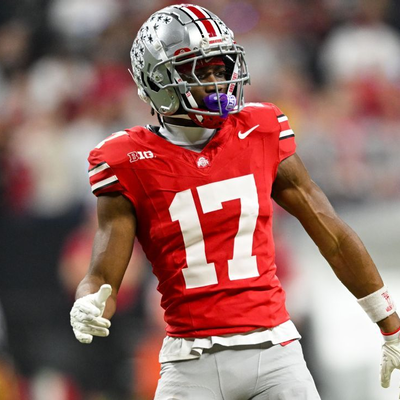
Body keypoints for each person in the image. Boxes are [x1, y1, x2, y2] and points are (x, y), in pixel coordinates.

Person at [70, 4, 400, 399]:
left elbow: (332, 235)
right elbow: (103, 278)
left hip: (275, 352)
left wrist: (390, 323)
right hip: (189, 363)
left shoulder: (260, 130)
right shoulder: (127, 159)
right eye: (199, 71)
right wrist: (87, 303)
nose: (216, 82)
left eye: (220, 69)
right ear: (159, 81)